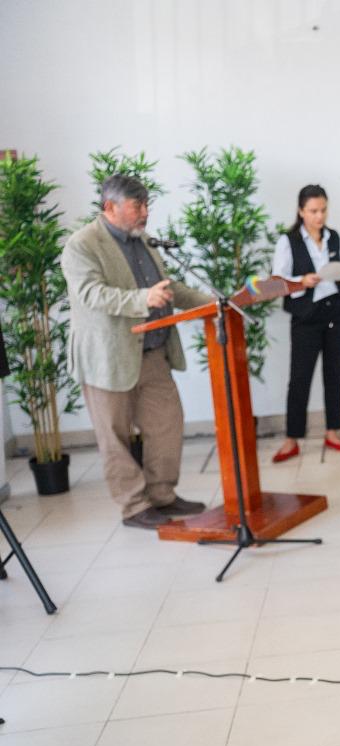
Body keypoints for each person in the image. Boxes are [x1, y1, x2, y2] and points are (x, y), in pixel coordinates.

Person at [61, 175, 212, 530]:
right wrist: (141, 300)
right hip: (107, 359)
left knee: (167, 424)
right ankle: (133, 506)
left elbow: (168, 287)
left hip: (153, 352)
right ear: (109, 207)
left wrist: (215, 304)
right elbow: (92, 294)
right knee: (114, 435)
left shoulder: (143, 240)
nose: (145, 213)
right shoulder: (82, 245)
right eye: (137, 206)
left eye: (146, 205)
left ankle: (162, 495)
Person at [271, 185, 340, 463]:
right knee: (299, 379)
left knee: (335, 374)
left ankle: (333, 431)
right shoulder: (288, 241)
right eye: (313, 211)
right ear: (301, 211)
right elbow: (277, 283)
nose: (319, 216)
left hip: (337, 313)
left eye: (323, 210)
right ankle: (292, 438)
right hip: (307, 317)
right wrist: (301, 281)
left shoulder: (335, 238)